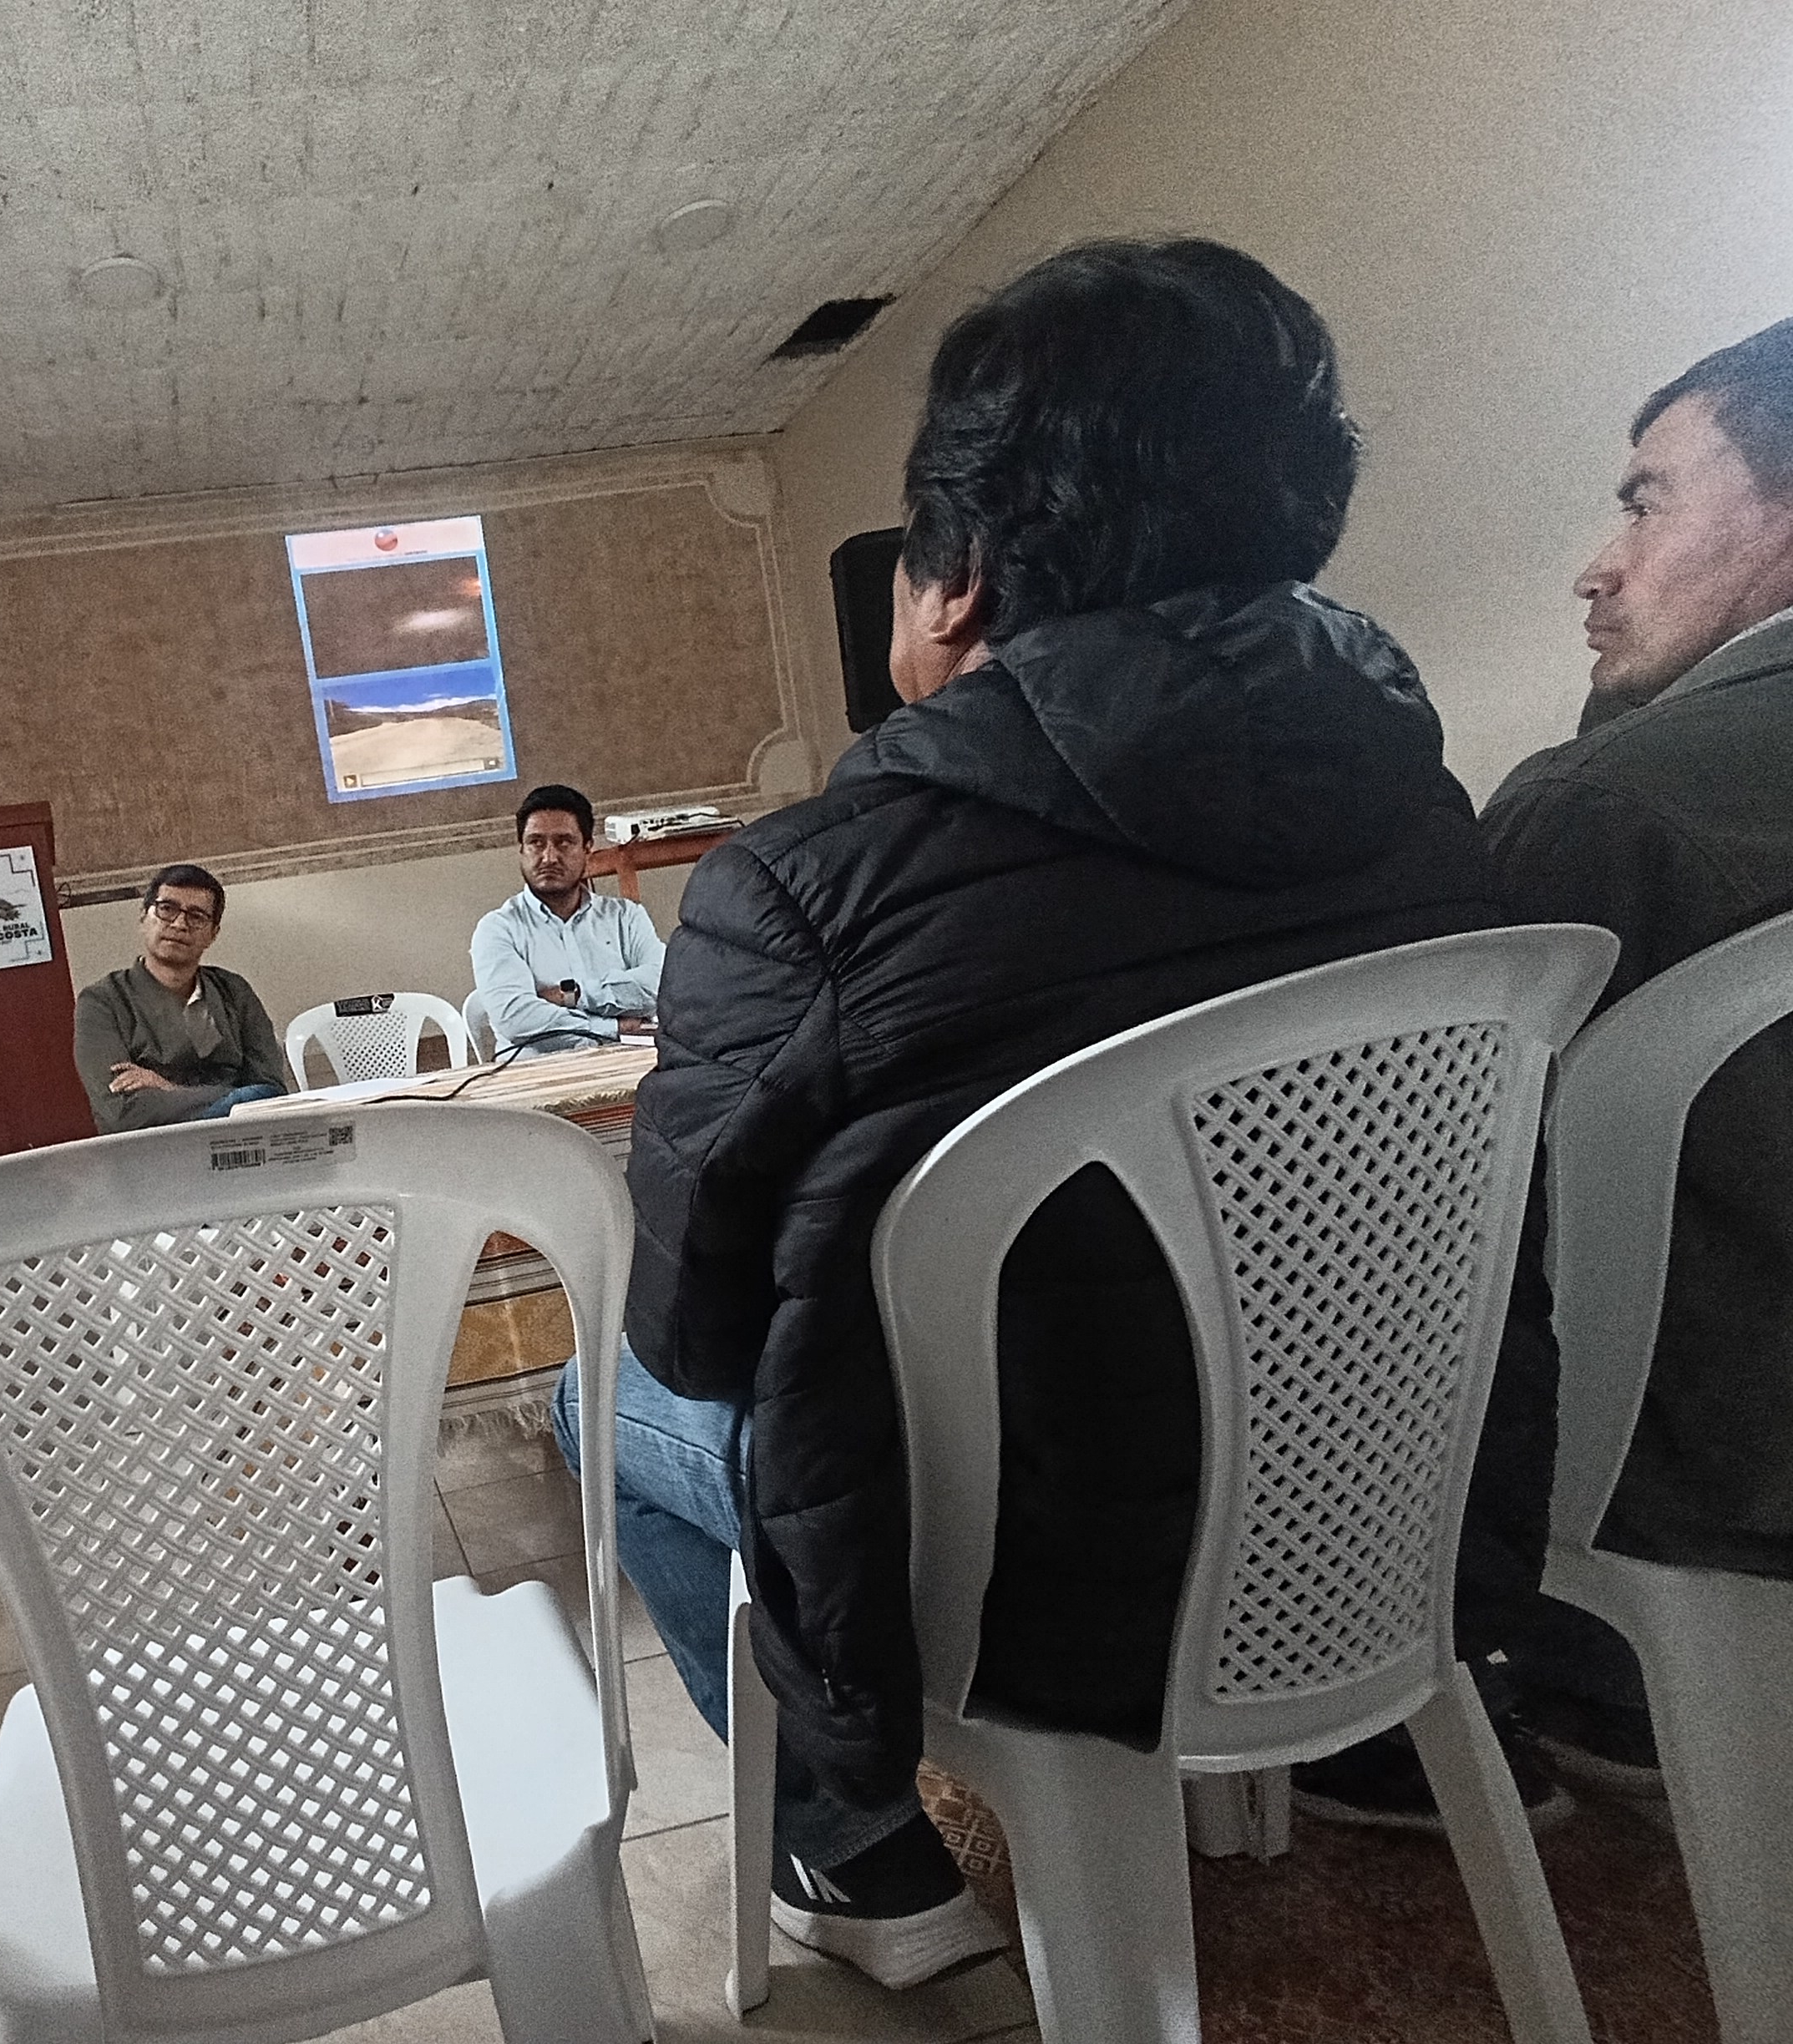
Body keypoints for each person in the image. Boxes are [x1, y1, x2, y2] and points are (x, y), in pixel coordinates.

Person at [570, 240, 1563, 1988]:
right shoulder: (1425, 807)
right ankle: (1323, 1745)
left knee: (605, 1405)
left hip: (1022, 1584)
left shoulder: (803, 889)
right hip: (1375, 1512)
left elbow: (697, 1329)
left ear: (951, 579)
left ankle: (853, 1849)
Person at [1470, 317, 1793, 1789]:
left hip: (1701, 1497)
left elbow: (1448, 1193)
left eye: (1644, 501)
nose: (1597, 567)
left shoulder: (1609, 809)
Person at [73, 863, 288, 1131]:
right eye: (167, 909)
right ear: (144, 917)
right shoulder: (102, 1002)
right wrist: (234, 1098)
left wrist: (167, 1088)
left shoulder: (234, 991)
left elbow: (271, 1094)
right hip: (153, 1146)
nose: (179, 924)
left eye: (197, 916)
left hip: (241, 1139)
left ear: (213, 934)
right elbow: (122, 1112)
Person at [469, 784, 665, 1053]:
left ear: (587, 849)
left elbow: (660, 987)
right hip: (538, 1071)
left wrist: (572, 996)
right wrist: (613, 1027)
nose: (549, 857)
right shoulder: (498, 929)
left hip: (627, 1063)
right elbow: (516, 1019)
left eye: (564, 842)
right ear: (521, 849)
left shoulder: (626, 917)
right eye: (536, 843)